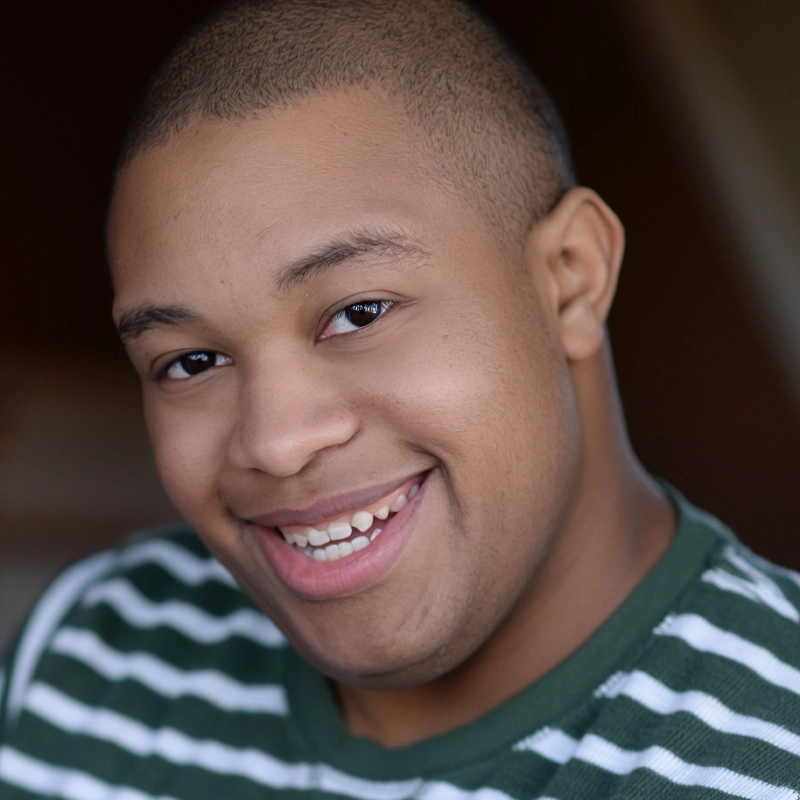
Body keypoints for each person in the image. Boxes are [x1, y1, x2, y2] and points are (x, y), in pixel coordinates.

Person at [2, 0, 800, 797]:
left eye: (359, 314)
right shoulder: (85, 652)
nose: (276, 442)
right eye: (192, 361)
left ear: (570, 280)